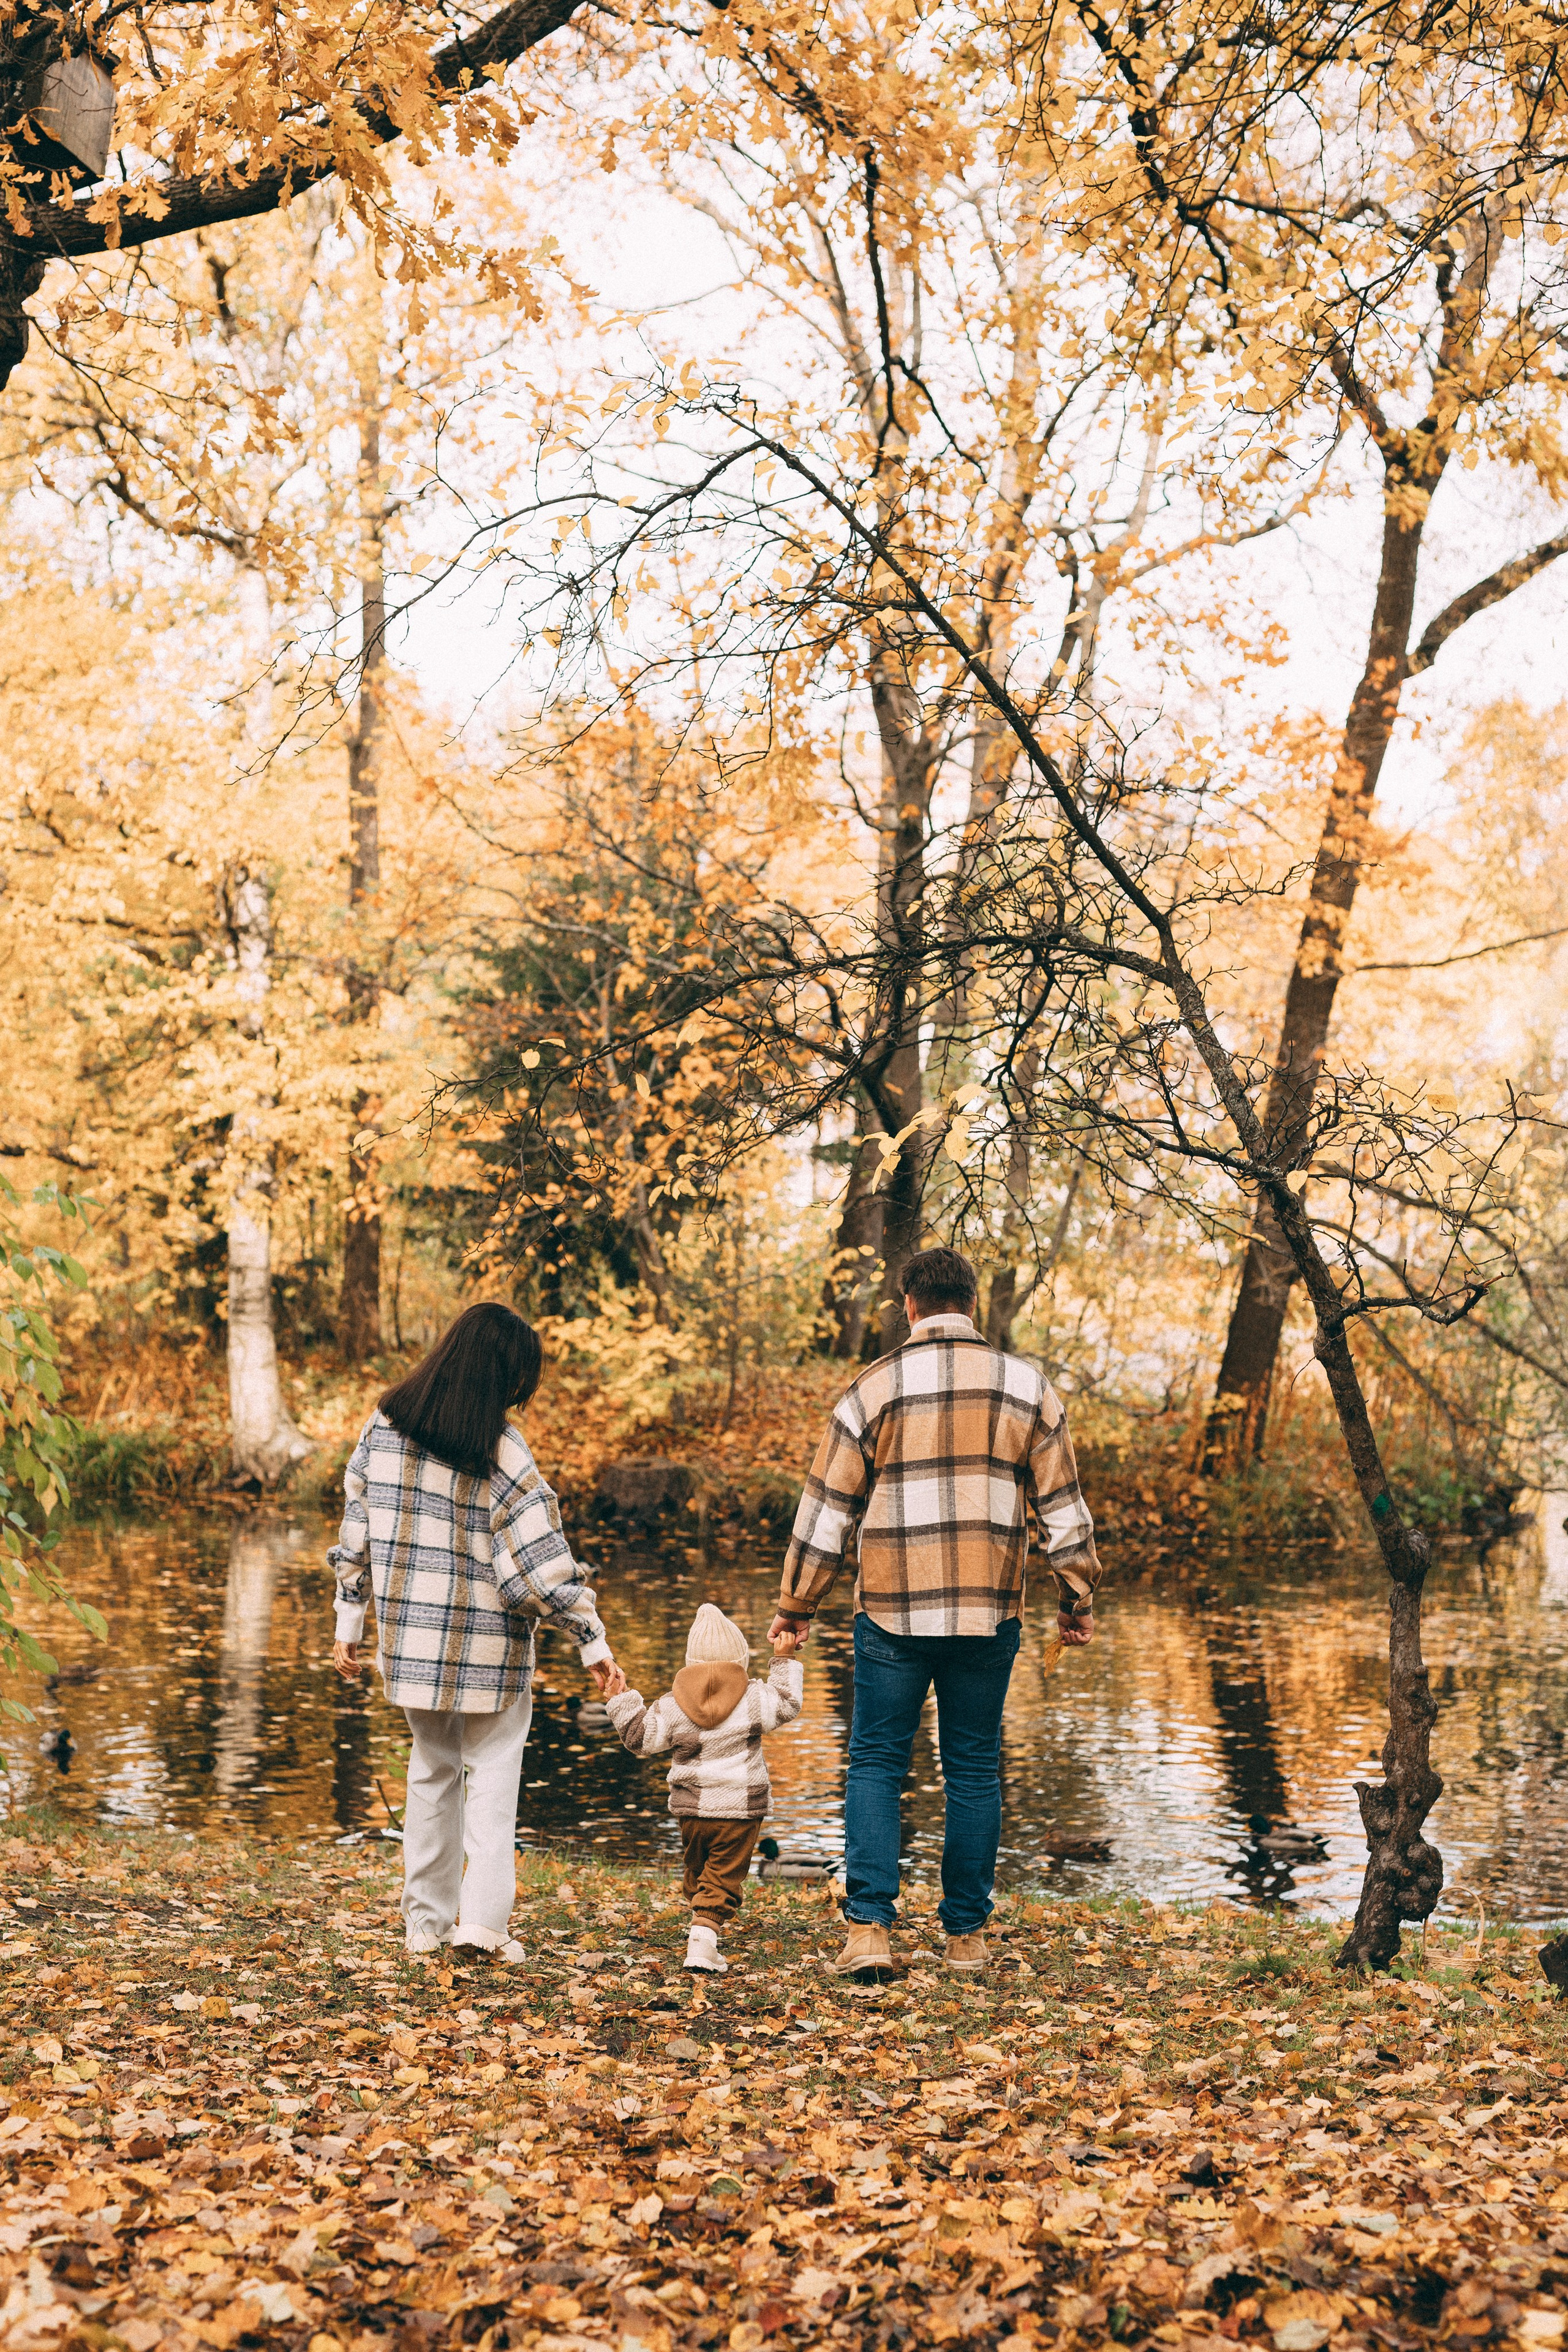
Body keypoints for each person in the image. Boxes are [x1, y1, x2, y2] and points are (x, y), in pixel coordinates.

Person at [771, 1245, 1101, 1978]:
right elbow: (1063, 1509)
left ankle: (868, 1934)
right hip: (989, 1612)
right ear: (972, 1306)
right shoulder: (1026, 1387)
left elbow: (827, 1509)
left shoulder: (872, 1387)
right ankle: (966, 1940)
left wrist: (799, 1602)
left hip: (890, 1609)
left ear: (909, 1305)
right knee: (975, 1768)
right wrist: (1074, 1594)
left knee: (877, 1763)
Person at [331, 1300, 614, 1964]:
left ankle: (424, 1926)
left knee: (431, 1775)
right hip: (490, 1650)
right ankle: (483, 1927)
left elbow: (356, 1532)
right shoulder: (503, 1450)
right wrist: (591, 1642)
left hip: (412, 1646)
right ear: (503, 1376)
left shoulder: (382, 1427)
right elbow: (540, 1570)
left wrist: (350, 1620)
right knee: (492, 1780)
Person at [603, 1602, 804, 1974]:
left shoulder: (671, 1706)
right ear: (740, 1664)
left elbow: (638, 1738)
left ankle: (702, 1923)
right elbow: (789, 1703)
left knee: (700, 1873)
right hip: (740, 1810)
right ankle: (702, 1940)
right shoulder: (754, 1699)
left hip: (691, 1811)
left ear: (690, 1665)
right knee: (723, 1878)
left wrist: (621, 1697)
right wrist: (784, 1659)